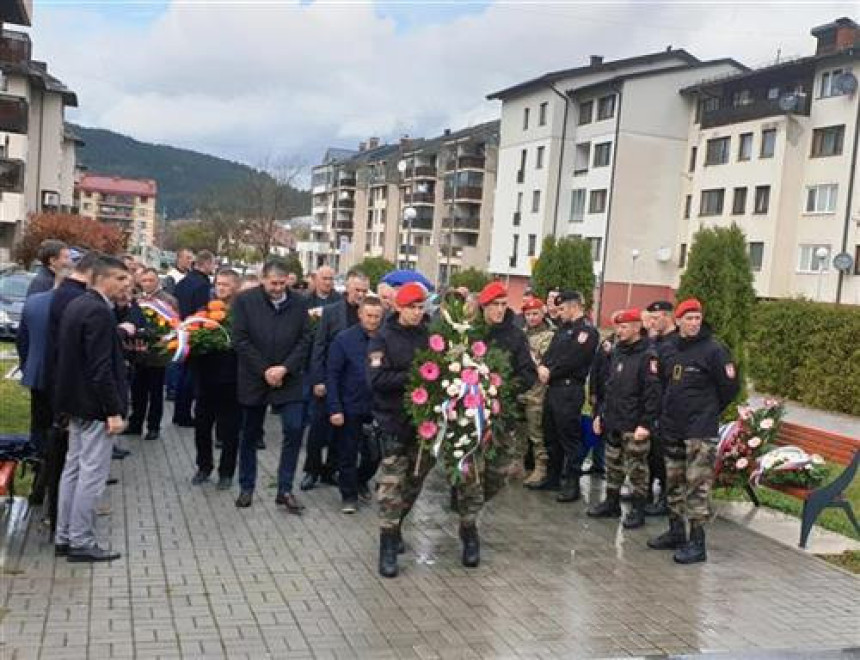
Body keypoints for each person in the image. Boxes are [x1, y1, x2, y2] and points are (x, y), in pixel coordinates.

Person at [647, 298, 740, 564]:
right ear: (677, 321)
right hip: (672, 426)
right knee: (673, 482)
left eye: (697, 318)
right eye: (688, 318)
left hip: (699, 429)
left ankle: (697, 543)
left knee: (697, 486)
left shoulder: (714, 350)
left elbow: (729, 388)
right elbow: (662, 382)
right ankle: (677, 532)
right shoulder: (669, 348)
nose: (694, 323)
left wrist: (708, 410)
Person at [53, 256, 131, 562]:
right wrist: (113, 410)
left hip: (76, 403)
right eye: (121, 279)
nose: (127, 285)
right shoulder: (98, 311)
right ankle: (81, 540)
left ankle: (64, 535)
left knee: (73, 470)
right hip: (95, 406)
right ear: (104, 280)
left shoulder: (77, 305)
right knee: (91, 474)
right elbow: (100, 368)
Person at [231, 258, 310, 511]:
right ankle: (246, 487)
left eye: (281, 283)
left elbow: (305, 339)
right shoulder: (245, 301)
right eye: (272, 283)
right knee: (250, 434)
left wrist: (284, 368)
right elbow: (240, 340)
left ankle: (285, 489)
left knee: (295, 428)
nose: (277, 288)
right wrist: (265, 370)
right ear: (263, 279)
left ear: (288, 280)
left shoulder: (299, 302)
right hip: (255, 377)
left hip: (289, 377)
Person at [587, 309, 662, 528]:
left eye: (624, 327)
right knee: (613, 464)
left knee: (637, 469)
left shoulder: (648, 355)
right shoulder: (618, 351)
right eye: (617, 327)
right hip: (614, 419)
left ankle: (638, 509)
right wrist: (601, 414)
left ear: (638, 327)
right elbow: (610, 387)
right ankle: (611, 503)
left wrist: (645, 423)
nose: (619, 331)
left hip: (634, 423)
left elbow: (652, 393)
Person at [302, 269, 369, 490]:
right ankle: (312, 469)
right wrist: (318, 380)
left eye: (364, 290)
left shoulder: (369, 315)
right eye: (357, 289)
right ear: (347, 288)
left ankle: (330, 470)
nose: (360, 294)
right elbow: (318, 347)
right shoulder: (331, 312)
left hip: (352, 385)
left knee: (342, 432)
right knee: (319, 427)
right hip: (329, 379)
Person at [531, 290, 599, 502]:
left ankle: (572, 482)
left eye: (562, 309)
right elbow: (551, 353)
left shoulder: (587, 331)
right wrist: (543, 366)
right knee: (551, 433)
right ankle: (553, 476)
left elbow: (574, 359)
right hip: (553, 387)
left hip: (569, 389)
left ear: (573, 306)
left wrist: (551, 371)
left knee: (569, 436)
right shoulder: (563, 329)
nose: (558, 313)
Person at [476, 281, 536, 495]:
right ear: (484, 306)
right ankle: (467, 517)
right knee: (470, 473)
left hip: (502, 412)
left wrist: (506, 390)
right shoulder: (471, 332)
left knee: (497, 474)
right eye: (494, 304)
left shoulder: (515, 335)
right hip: (471, 412)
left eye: (503, 304)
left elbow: (529, 373)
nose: (500, 309)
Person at [326, 295, 384, 513]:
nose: (373, 320)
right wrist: (335, 408)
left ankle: (361, 479)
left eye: (377, 316)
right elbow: (332, 374)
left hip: (377, 406)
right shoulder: (344, 339)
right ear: (360, 314)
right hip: (350, 405)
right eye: (369, 316)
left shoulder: (385, 339)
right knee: (348, 452)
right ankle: (348, 495)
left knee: (375, 453)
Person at [192, 268, 242, 490]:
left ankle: (226, 472)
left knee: (230, 429)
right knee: (202, 425)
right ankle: (204, 466)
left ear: (236, 287)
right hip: (206, 377)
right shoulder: (203, 311)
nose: (221, 288)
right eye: (218, 284)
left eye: (226, 284)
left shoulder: (241, 314)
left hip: (232, 379)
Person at [16, 275, 61, 504]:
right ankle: (48, 484)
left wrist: (27, 366)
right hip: (60, 381)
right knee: (57, 433)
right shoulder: (71, 305)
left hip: (36, 375)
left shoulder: (33, 301)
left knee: (39, 428)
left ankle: (37, 480)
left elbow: (21, 340)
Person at [126, 268, 178, 441]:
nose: (147, 283)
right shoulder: (137, 300)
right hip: (139, 353)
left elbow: (174, 325)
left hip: (157, 354)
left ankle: (153, 426)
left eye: (151, 280)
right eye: (144, 280)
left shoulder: (168, 300)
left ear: (158, 281)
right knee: (137, 391)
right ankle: (135, 424)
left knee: (155, 393)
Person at [172, 250, 216, 427]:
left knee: (183, 374)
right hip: (195, 332)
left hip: (181, 329)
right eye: (212, 264)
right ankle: (184, 415)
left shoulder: (183, 282)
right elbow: (202, 311)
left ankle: (178, 412)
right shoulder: (202, 285)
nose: (213, 268)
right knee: (192, 377)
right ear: (205, 264)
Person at [642, 300, 677, 516]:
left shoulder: (675, 344)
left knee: (665, 458)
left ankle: (666, 499)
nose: (652, 323)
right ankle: (649, 493)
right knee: (652, 455)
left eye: (655, 318)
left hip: (667, 409)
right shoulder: (655, 342)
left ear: (667, 316)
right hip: (652, 405)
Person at [519, 296, 555, 486]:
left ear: (543, 313)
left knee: (536, 433)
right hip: (521, 389)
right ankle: (520, 466)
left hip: (537, 392)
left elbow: (540, 361)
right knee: (519, 431)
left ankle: (541, 469)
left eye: (535, 313)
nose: (531, 318)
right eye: (528, 314)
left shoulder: (549, 335)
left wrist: (525, 352)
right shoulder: (521, 333)